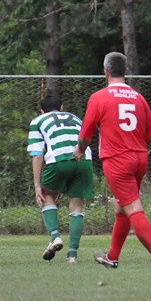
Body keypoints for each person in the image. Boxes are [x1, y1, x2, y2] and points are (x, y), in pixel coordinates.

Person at [73, 52, 151, 269]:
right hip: (139, 158)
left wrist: (80, 149)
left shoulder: (99, 97)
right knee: (121, 206)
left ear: (105, 72)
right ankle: (112, 257)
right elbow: (150, 133)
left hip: (117, 160)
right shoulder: (139, 98)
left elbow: (86, 134)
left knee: (133, 207)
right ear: (126, 71)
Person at [28, 93, 93, 264]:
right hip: (84, 159)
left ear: (42, 111)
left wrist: (37, 186)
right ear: (62, 108)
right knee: (77, 204)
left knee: (46, 194)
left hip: (58, 159)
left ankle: (55, 236)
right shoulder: (75, 118)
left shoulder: (38, 121)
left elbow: (37, 155)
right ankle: (72, 256)